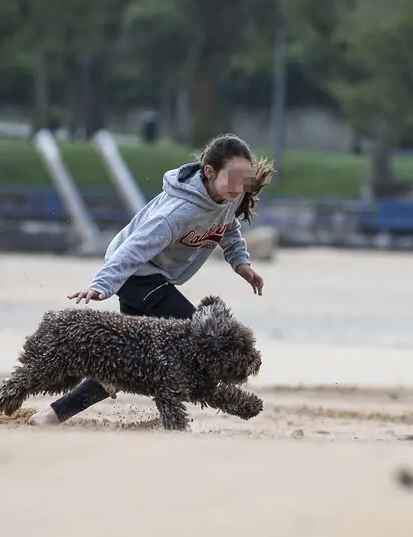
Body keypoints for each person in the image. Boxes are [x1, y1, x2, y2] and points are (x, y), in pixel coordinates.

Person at [31, 132, 273, 428]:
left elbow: (230, 230)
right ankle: (202, 412)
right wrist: (102, 285)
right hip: (136, 274)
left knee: (122, 365)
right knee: (199, 337)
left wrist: (241, 264)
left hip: (155, 277)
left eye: (244, 179)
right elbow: (134, 248)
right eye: (233, 178)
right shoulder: (178, 211)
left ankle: (50, 417)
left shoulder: (228, 198)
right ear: (209, 172)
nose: (240, 187)